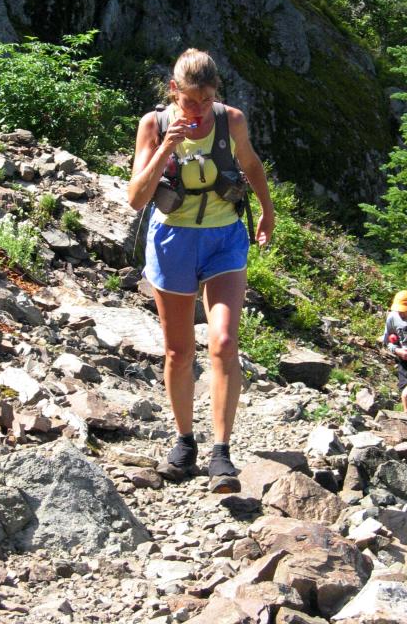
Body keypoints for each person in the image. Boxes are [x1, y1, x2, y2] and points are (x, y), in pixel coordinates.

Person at [128, 48, 275, 493]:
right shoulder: (153, 125)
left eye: (205, 100)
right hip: (172, 240)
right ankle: (184, 441)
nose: (197, 110)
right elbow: (136, 197)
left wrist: (267, 212)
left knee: (224, 340)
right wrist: (168, 145)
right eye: (190, 100)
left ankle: (221, 453)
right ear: (173, 90)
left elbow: (249, 165)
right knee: (177, 352)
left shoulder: (231, 120)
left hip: (223, 238)